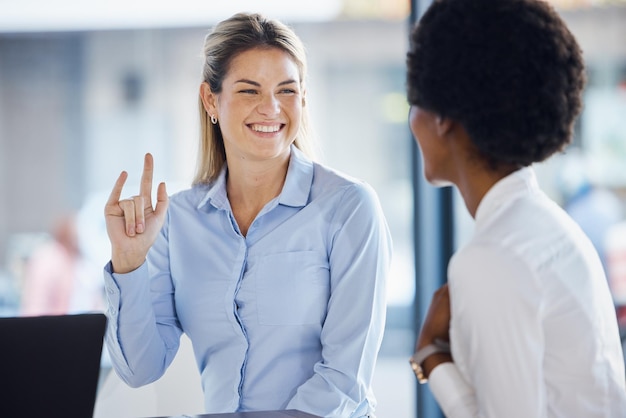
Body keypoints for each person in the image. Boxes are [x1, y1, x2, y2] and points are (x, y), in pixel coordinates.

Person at [102, 12, 392, 418]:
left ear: (303, 98)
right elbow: (139, 369)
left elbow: (344, 381)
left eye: (286, 90)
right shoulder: (178, 220)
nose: (270, 108)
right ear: (210, 100)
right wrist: (128, 264)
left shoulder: (349, 207)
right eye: (249, 91)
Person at [405, 0, 626, 417]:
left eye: (415, 99)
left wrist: (431, 359)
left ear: (443, 117)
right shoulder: (548, 226)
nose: (412, 118)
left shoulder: (494, 256)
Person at [21, 212, 103, 316]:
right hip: (54, 326)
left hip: (84, 325)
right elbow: (36, 305)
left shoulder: (81, 261)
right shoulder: (47, 259)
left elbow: (94, 300)